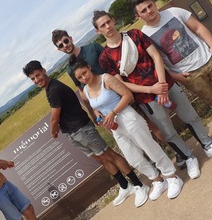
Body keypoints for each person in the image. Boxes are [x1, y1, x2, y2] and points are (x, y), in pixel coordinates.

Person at [92, 10, 212, 179]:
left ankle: (209, 146)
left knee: (190, 116)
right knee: (167, 130)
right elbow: (120, 83)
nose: (108, 27)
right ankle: (189, 157)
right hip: (146, 96)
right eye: (103, 25)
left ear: (113, 20)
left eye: (109, 21)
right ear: (98, 31)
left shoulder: (135, 35)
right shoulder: (106, 57)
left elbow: (156, 56)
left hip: (166, 84)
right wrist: (152, 90)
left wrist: (162, 85)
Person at [23, 60, 150, 207]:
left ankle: (139, 185)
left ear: (44, 71)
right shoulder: (50, 88)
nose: (36, 80)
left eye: (38, 75)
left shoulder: (54, 89)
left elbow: (54, 117)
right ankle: (124, 186)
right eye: (33, 78)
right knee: (101, 159)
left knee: (109, 155)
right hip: (73, 132)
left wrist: (53, 131)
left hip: (82, 129)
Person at [69, 56, 183, 200]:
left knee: (149, 147)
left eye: (84, 73)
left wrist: (113, 113)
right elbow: (95, 106)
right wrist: (99, 115)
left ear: (89, 68)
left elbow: (127, 95)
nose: (84, 77)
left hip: (127, 117)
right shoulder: (85, 90)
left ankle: (172, 177)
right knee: (133, 158)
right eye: (79, 77)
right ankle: (157, 180)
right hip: (114, 126)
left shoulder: (107, 79)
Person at [132, 0, 212, 147]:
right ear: (138, 16)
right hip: (189, 75)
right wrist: (174, 76)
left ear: (155, 4)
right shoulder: (144, 35)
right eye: (143, 10)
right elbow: (156, 60)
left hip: (209, 58)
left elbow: (198, 27)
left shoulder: (174, 12)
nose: (149, 11)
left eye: (150, 6)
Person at [51, 29, 105, 120]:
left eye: (66, 41)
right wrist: (92, 113)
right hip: (99, 104)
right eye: (61, 45)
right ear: (59, 49)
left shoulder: (93, 48)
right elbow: (82, 89)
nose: (65, 45)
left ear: (71, 38)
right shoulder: (70, 69)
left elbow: (113, 67)